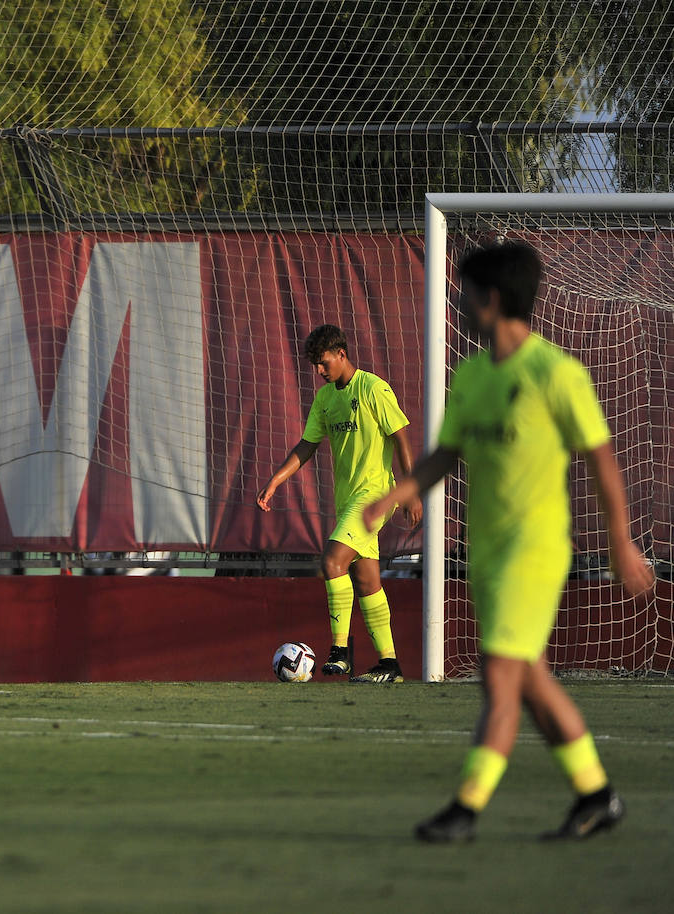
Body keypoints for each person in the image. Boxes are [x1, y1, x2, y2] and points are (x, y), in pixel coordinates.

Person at [364, 241, 655, 842]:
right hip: (488, 552)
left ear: (490, 300)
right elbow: (448, 452)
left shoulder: (556, 374)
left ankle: (465, 809)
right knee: (530, 681)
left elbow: (601, 462)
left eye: (464, 294)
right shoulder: (471, 374)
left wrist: (621, 542)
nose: (458, 303)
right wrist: (397, 495)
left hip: (536, 551)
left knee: (498, 676)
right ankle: (596, 795)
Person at [257, 324, 422, 682]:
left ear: (342, 354)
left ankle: (340, 652)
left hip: (375, 495)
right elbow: (306, 446)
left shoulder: (373, 388)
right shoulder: (325, 399)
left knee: (333, 560)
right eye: (315, 365)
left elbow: (402, 439)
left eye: (323, 362)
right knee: (367, 582)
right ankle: (389, 664)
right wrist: (275, 480)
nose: (319, 371)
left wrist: (409, 491)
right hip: (349, 499)